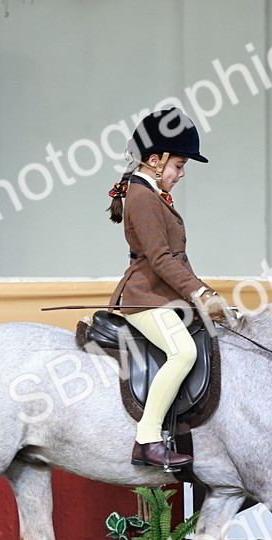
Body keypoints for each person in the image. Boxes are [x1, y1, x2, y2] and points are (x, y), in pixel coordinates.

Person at [106, 107, 235, 471]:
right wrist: (201, 294)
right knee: (182, 353)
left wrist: (206, 294)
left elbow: (177, 260)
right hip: (144, 297)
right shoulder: (142, 197)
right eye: (179, 165)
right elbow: (161, 260)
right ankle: (147, 440)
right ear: (154, 160)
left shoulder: (151, 193)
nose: (181, 174)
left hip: (162, 295)